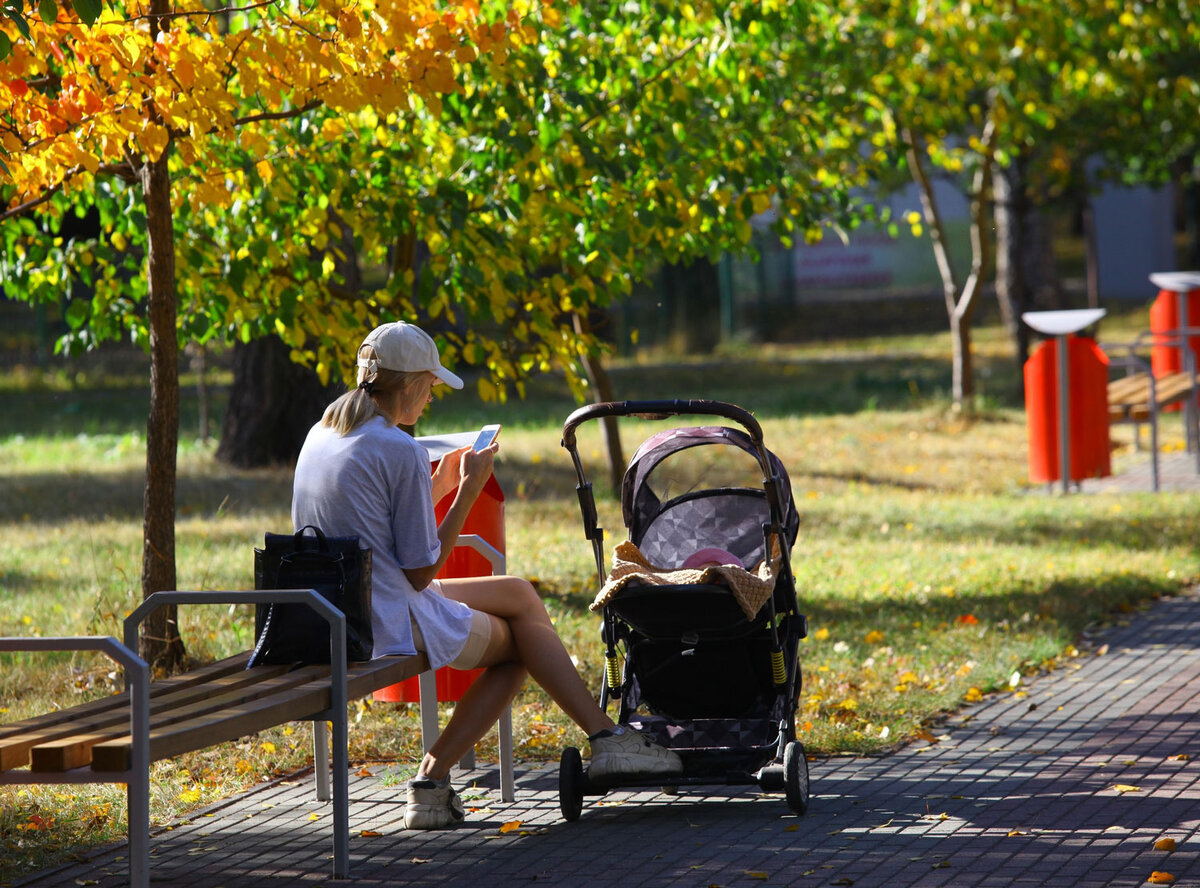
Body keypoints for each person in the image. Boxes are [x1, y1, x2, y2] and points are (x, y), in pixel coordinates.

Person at [291, 321, 682, 830]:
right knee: (521, 647)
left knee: (518, 593)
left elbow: (374, 530)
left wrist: (440, 483)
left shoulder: (322, 432)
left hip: (337, 605)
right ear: (409, 385)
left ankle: (604, 737)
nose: (431, 398)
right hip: (385, 617)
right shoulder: (398, 448)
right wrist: (468, 490)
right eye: (430, 387)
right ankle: (437, 779)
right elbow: (420, 568)